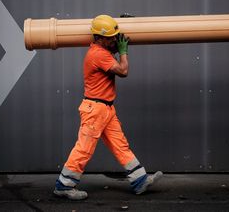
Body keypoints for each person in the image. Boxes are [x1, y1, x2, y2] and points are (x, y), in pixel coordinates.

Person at [53, 14, 163, 200]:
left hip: (105, 109)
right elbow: (123, 71)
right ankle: (64, 186)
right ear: (99, 38)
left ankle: (139, 181)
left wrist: (125, 24)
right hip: (95, 110)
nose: (114, 40)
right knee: (84, 149)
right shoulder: (99, 54)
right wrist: (124, 52)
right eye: (110, 37)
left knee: (120, 145)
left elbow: (112, 40)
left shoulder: (102, 49)